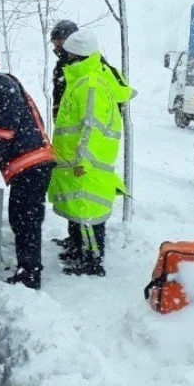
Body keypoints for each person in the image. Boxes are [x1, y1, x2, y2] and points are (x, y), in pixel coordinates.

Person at [0, 52, 56, 289]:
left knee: (26, 220)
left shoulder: (1, 85)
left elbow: (8, 120)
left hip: (31, 165)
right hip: (28, 166)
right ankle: (28, 268)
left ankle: (30, 274)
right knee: (22, 218)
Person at [48, 30, 133, 277]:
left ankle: (92, 263)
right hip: (76, 160)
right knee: (77, 207)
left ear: (77, 56)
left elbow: (92, 126)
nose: (63, 56)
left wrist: (83, 158)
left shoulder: (91, 83)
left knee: (88, 212)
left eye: (68, 53)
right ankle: (77, 250)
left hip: (86, 163)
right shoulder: (82, 79)